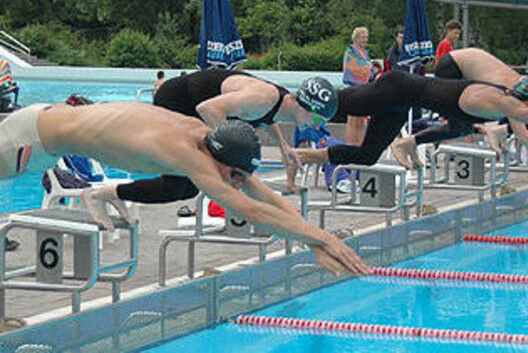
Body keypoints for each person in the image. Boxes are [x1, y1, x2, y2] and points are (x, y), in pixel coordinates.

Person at [0, 102, 367, 277]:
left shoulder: (210, 139)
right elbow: (250, 211)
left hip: (43, 128)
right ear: (221, 161)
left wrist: (316, 239)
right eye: (233, 175)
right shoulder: (186, 153)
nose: (235, 182)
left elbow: (263, 196)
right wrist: (321, 241)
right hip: (27, 141)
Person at [286, 70, 528, 173]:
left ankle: (303, 156)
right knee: (330, 106)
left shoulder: (509, 101)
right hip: (397, 88)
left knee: (366, 156)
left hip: (402, 103)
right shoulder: (499, 101)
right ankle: (271, 103)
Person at [110, 68, 337, 203]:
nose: (317, 127)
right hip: (179, 100)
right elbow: (208, 109)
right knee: (178, 187)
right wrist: (227, 149)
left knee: (188, 189)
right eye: (318, 120)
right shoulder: (265, 97)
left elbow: (268, 118)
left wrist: (283, 146)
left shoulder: (285, 104)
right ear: (307, 107)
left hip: (193, 106)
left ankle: (112, 193)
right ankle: (105, 193)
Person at [392, 48, 528, 176]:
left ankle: (411, 142)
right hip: (452, 67)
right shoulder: (513, 91)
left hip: (464, 67)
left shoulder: (523, 85)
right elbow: (523, 134)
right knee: (460, 126)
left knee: (464, 126)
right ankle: (404, 143)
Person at [342, 27, 380, 147]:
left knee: (362, 119)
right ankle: (350, 144)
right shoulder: (351, 52)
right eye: (363, 37)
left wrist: (373, 69)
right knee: (353, 118)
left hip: (364, 89)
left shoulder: (365, 53)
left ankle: (359, 144)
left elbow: (366, 67)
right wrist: (370, 68)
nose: (365, 40)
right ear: (356, 37)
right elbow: (352, 68)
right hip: (353, 89)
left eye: (366, 37)